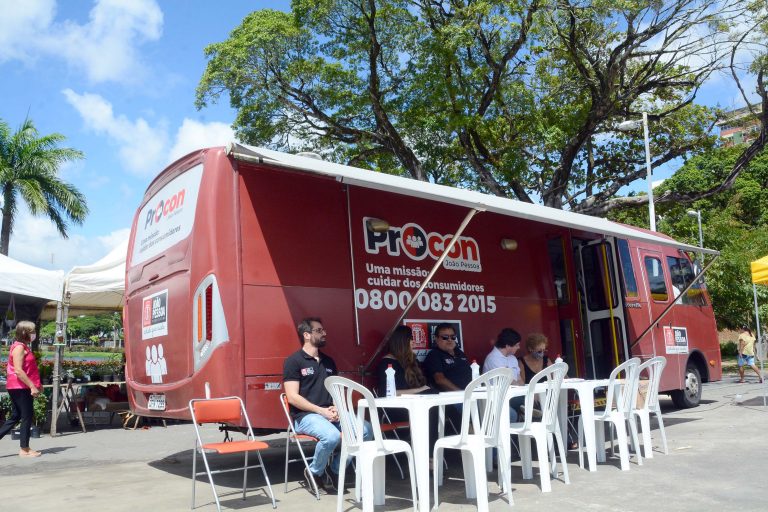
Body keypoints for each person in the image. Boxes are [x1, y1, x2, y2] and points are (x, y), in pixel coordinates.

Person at [283, 317, 371, 494]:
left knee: (366, 430)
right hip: (306, 416)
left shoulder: (329, 361)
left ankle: (336, 469)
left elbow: (335, 391)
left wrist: (337, 407)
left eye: (323, 330)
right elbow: (292, 397)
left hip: (330, 413)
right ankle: (314, 471)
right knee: (331, 436)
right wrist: (321, 411)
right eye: (319, 331)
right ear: (307, 335)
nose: (324, 333)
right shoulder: (294, 361)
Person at [0, 320, 42, 457]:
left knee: (16, 416)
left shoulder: (23, 346)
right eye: (32, 331)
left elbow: (29, 369)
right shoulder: (19, 348)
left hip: (20, 386)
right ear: (24, 332)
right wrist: (32, 386)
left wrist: (37, 384)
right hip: (20, 387)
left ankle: (25, 448)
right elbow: (18, 370)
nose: (34, 334)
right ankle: (24, 449)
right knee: (26, 416)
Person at [483, 327, 524, 422]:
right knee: (514, 414)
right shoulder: (493, 359)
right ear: (507, 345)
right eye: (517, 345)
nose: (519, 347)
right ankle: (523, 416)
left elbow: (519, 379)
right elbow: (510, 382)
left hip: (513, 395)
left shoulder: (513, 358)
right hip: (496, 399)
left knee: (534, 400)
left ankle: (525, 415)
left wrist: (524, 392)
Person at [422, 323, 472, 391]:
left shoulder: (460, 353)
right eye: (445, 337)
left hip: (470, 393)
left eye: (453, 337)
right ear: (436, 339)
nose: (449, 340)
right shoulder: (434, 355)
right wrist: (460, 393)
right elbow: (440, 380)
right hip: (450, 396)